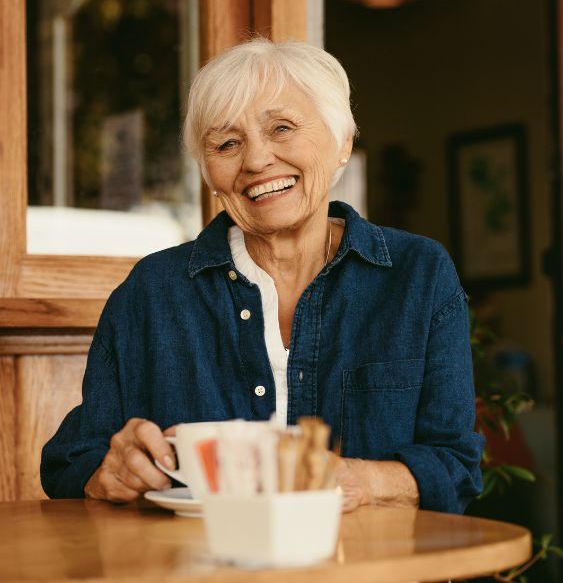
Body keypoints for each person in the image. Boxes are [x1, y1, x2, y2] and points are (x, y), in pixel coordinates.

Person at [41, 37, 483, 514]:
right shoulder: (152, 291)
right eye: (227, 143)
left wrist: (359, 480)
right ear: (208, 173)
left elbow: (455, 466)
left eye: (282, 128)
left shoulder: (416, 275)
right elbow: (70, 461)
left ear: (342, 144)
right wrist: (109, 471)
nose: (255, 160)